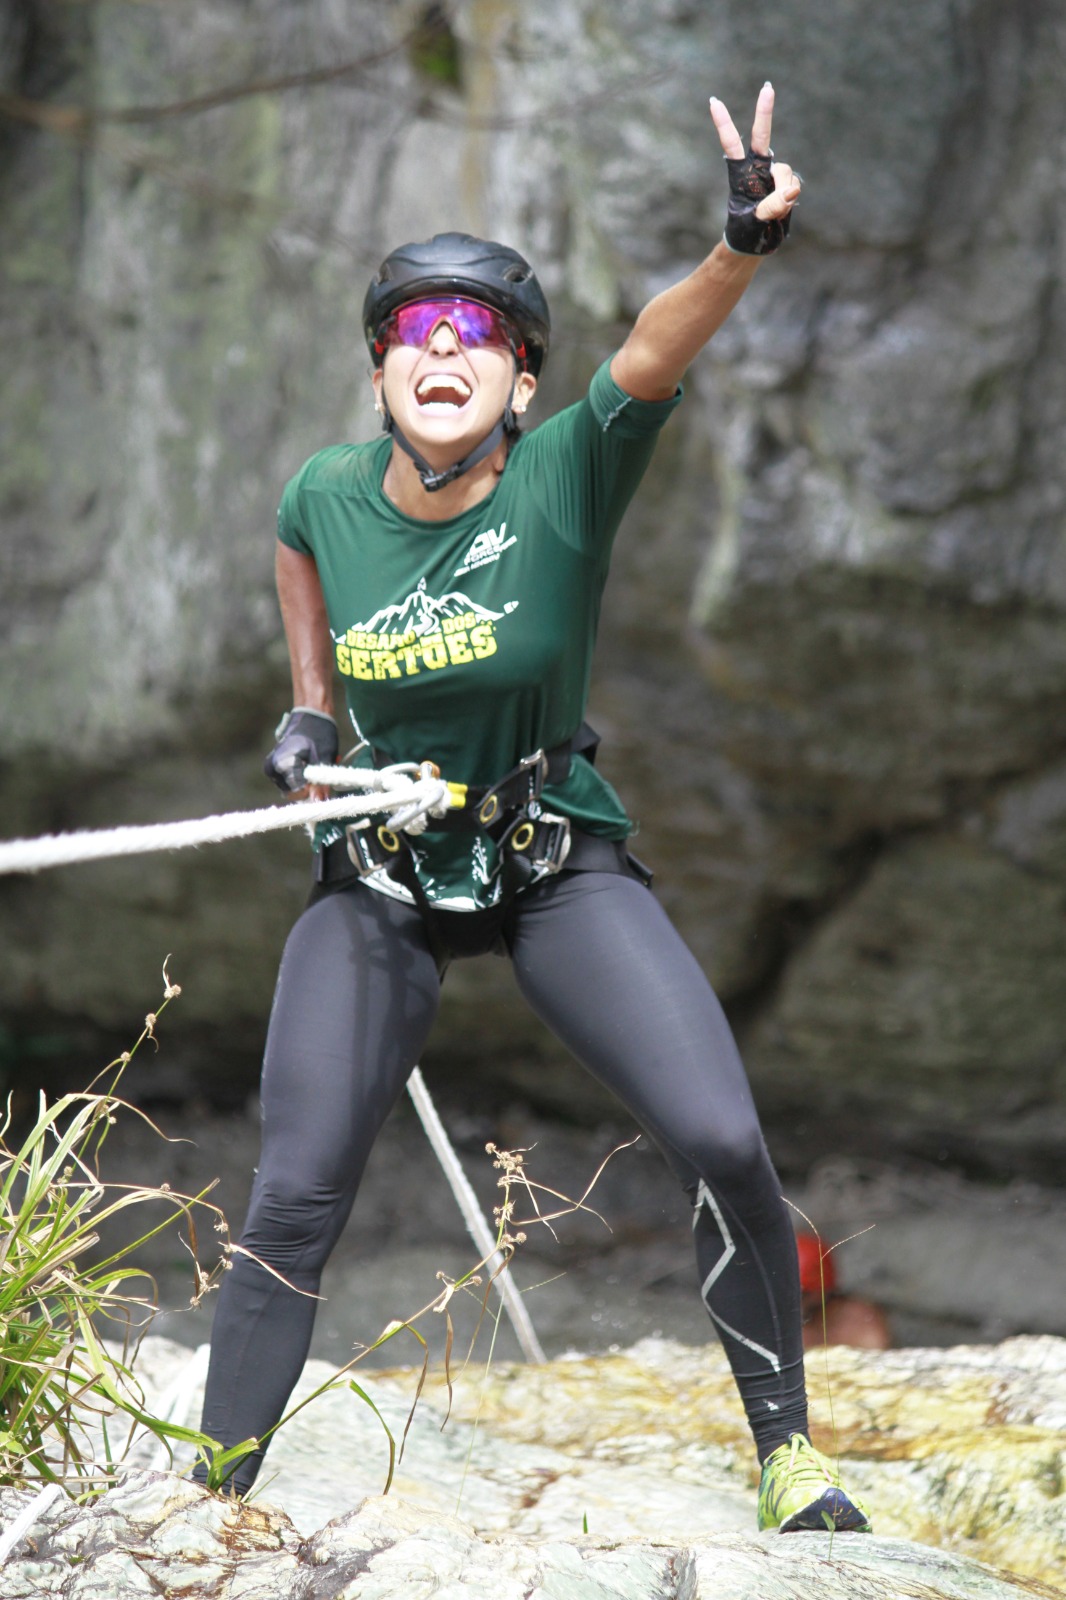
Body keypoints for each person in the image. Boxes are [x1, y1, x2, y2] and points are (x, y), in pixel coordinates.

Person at [193, 84, 872, 1534]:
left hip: (550, 853)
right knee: (297, 1193)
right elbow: (303, 607)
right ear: (380, 373)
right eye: (417, 337)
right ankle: (214, 1496)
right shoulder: (323, 494)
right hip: (379, 871)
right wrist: (309, 719)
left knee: (723, 1141)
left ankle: (785, 1454)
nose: (445, 351)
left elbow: (649, 350)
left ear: (516, 383)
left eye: (479, 337)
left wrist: (740, 246)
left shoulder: (568, 471)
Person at [796, 1231, 893, 1351]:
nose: (799, 1304)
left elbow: (877, 1355)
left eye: (803, 1295)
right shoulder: (786, 1325)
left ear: (823, 1289)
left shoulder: (859, 1320)